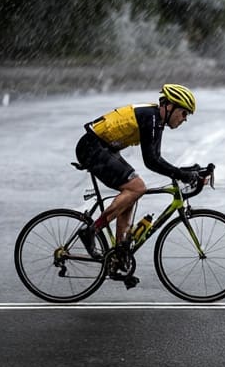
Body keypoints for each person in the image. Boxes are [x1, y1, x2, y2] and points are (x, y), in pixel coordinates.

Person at [75, 83, 200, 283]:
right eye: (184, 113)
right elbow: (151, 161)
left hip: (101, 147)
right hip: (92, 148)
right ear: (169, 107)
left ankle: (119, 255)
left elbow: (156, 157)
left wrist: (184, 171)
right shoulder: (150, 118)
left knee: (132, 192)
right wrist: (180, 174)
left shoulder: (156, 119)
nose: (184, 119)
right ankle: (92, 230)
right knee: (137, 187)